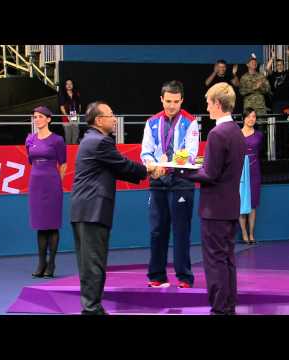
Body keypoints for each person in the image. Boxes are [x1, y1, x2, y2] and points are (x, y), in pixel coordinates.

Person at [71, 101, 161, 315]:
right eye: (111, 115)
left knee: (89, 264)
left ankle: (92, 308)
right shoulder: (101, 142)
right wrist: (149, 169)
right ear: (99, 120)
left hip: (84, 210)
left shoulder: (91, 140)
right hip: (92, 211)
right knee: (94, 264)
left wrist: (145, 171)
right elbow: (124, 166)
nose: (114, 118)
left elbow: (118, 170)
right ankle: (91, 310)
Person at [176, 82, 246, 315]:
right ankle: (227, 307)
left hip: (214, 210)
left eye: (208, 103)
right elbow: (218, 169)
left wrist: (182, 170)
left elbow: (210, 174)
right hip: (230, 207)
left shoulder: (217, 133)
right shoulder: (236, 131)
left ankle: (219, 309)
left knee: (215, 262)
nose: (206, 107)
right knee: (226, 260)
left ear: (217, 104)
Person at [140, 80, 199, 289]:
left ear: (182, 100)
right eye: (168, 101)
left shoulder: (190, 122)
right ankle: (157, 275)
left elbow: (192, 154)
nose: (171, 105)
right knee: (157, 230)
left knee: (181, 231)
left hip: (181, 181)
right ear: (161, 99)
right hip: (157, 180)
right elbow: (145, 152)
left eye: (175, 101)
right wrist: (152, 164)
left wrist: (175, 161)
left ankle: (184, 277)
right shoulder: (152, 122)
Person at [25, 106, 67, 279]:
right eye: (35, 117)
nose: (37, 120)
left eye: (41, 117)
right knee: (40, 225)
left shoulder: (57, 140)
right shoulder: (30, 139)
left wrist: (57, 182)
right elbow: (30, 161)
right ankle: (41, 263)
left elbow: (63, 164)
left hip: (52, 183)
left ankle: (51, 263)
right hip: (35, 183)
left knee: (52, 224)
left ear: (49, 119)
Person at [238, 108, 263, 245]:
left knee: (252, 204)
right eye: (248, 116)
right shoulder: (237, 134)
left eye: (253, 116)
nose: (251, 119)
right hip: (241, 171)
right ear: (244, 118)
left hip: (254, 170)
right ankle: (244, 233)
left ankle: (252, 234)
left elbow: (258, 151)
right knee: (242, 203)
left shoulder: (259, 135)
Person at [203, 60, 239, 139]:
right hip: (215, 108)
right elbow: (206, 83)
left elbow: (237, 84)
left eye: (223, 67)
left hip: (225, 108)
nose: (222, 69)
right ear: (216, 67)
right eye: (220, 67)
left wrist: (234, 74)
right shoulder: (213, 77)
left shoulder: (228, 77)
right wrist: (214, 72)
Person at [266, 49, 289, 114]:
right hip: (276, 102)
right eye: (278, 65)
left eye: (281, 64)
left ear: (283, 66)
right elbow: (267, 68)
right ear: (276, 66)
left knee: (286, 121)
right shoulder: (273, 74)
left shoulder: (287, 73)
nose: (279, 66)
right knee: (277, 121)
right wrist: (272, 57)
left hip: (286, 101)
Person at [58, 79, 81, 144]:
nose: (69, 85)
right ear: (65, 85)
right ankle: (68, 152)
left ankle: (74, 151)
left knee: (75, 135)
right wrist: (67, 116)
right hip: (66, 116)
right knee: (68, 136)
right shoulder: (62, 94)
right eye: (67, 84)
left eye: (70, 84)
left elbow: (79, 105)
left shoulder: (76, 94)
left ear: (73, 85)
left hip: (75, 116)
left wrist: (78, 114)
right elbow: (61, 107)